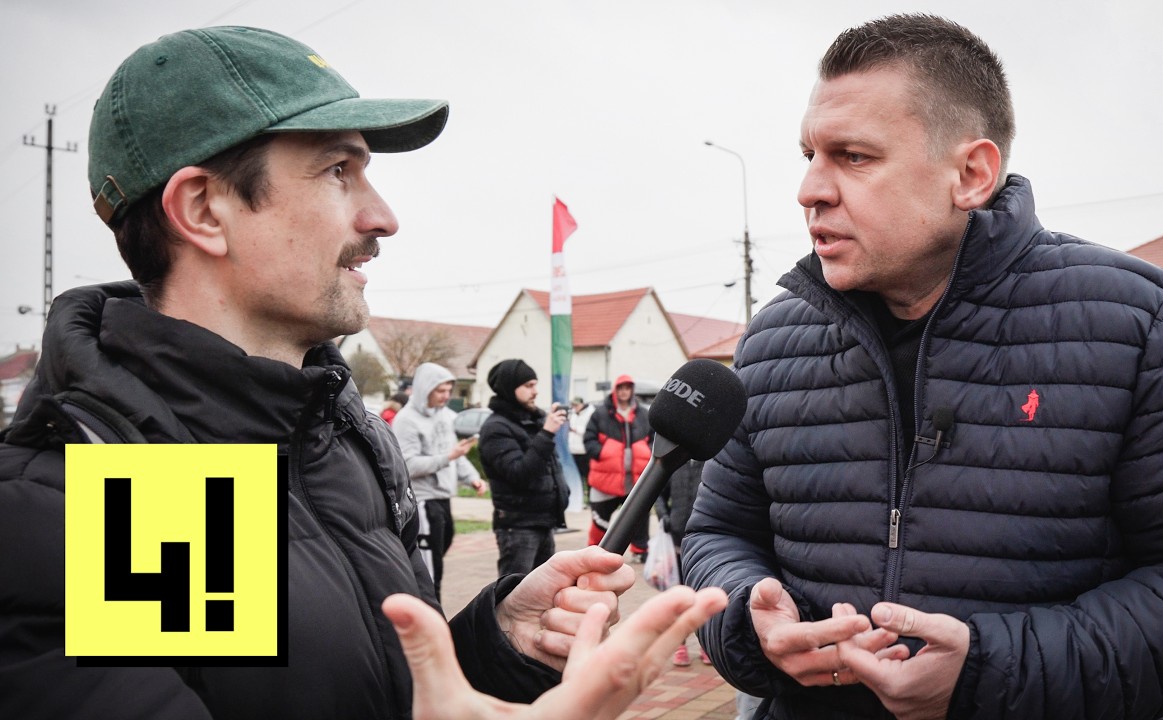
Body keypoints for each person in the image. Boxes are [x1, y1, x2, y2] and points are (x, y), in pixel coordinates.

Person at [0, 26, 726, 720]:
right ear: (203, 209)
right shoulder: (125, 489)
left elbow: (359, 693)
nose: (382, 216)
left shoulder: (330, 427)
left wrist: (496, 639)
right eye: (337, 170)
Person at [683, 14, 1163, 720]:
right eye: (809, 154)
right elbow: (716, 534)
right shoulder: (774, 339)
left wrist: (989, 674)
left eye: (854, 157)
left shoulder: (1142, 321)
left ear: (971, 174)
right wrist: (750, 623)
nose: (810, 188)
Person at [393, 362, 487, 598]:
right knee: (431, 570)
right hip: (423, 501)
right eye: (440, 391)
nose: (446, 396)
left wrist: (472, 478)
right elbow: (408, 465)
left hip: (443, 498)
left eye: (448, 391)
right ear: (425, 389)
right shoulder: (406, 420)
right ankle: (431, 618)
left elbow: (455, 454)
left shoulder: (445, 417)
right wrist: (448, 457)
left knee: (438, 555)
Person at [479, 359, 570, 576]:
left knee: (543, 594)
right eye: (528, 386)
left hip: (543, 521)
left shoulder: (533, 421)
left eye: (535, 385)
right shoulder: (496, 428)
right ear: (510, 388)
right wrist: (546, 434)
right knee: (514, 596)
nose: (535, 392)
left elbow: (549, 466)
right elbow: (520, 473)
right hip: (518, 526)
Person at [585, 375, 653, 562]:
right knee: (600, 520)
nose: (624, 392)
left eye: (627, 388)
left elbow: (653, 437)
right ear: (615, 390)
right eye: (620, 388)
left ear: (632, 390)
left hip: (635, 479)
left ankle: (640, 551)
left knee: (638, 518)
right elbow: (588, 440)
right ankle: (593, 554)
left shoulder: (643, 414)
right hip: (605, 480)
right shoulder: (600, 414)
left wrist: (647, 452)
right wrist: (602, 453)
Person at [654, 459, 712, 667]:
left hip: (703, 543)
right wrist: (663, 514)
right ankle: (680, 644)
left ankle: (707, 645)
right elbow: (658, 494)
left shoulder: (711, 463)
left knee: (703, 595)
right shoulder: (674, 464)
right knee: (677, 596)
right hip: (676, 540)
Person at [568, 396, 594, 494]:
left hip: (585, 451)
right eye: (573, 405)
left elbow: (589, 431)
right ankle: (581, 498)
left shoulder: (590, 414)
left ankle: (590, 497)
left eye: (576, 405)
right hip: (574, 450)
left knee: (588, 476)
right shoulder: (573, 415)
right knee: (577, 477)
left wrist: (576, 430)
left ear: (582, 404)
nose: (575, 407)